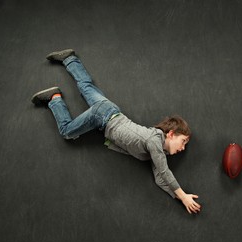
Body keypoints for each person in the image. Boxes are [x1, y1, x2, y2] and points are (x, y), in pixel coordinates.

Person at [31, 49, 201, 214]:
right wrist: (183, 195)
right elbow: (165, 172)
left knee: (86, 87)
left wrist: (181, 197)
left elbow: (160, 179)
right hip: (103, 117)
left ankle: (69, 58)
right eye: (183, 141)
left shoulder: (157, 152)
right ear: (171, 134)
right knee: (67, 131)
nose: (183, 148)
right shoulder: (155, 140)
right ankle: (54, 98)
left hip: (110, 111)